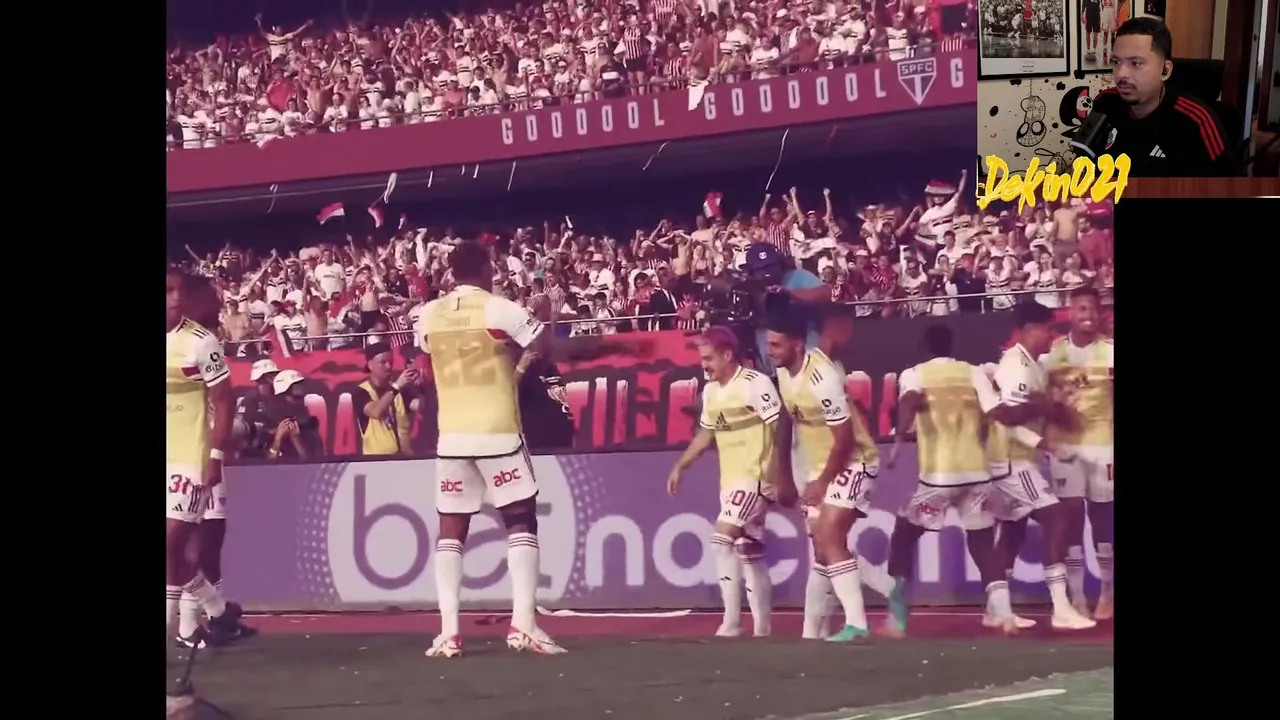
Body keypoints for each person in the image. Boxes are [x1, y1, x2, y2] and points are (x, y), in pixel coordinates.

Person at [416, 242, 566, 658]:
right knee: (521, 523)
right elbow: (544, 347)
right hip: (497, 431)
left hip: (451, 436)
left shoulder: (428, 315)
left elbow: (427, 356)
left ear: (451, 272)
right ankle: (523, 626)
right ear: (484, 268)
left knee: (451, 531)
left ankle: (448, 634)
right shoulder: (499, 309)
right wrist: (542, 317)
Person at [880, 324, 1035, 638]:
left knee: (903, 537)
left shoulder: (915, 374)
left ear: (924, 348)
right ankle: (1004, 614)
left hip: (939, 479)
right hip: (977, 474)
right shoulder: (972, 373)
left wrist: (897, 443)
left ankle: (896, 618)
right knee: (982, 543)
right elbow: (996, 412)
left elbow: (909, 402)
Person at [767, 305, 879, 642]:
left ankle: (857, 624)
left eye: (776, 345)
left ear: (797, 344)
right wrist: (784, 473)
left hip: (854, 461)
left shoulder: (822, 377)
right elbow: (786, 419)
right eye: (769, 344)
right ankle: (812, 634)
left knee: (829, 536)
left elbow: (845, 440)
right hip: (817, 466)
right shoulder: (784, 373)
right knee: (822, 550)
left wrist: (822, 482)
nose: (770, 351)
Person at [986, 302, 1096, 631]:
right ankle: (1061, 608)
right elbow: (1006, 418)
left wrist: (1054, 408)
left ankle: (996, 611)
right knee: (1055, 517)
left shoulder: (1031, 365)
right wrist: (1043, 441)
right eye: (1048, 329)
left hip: (1015, 459)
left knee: (1012, 533)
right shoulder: (1015, 366)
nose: (1051, 336)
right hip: (1011, 460)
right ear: (1030, 329)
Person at [666, 327, 781, 638]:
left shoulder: (755, 384)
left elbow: (779, 428)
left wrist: (775, 473)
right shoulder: (712, 392)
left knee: (721, 540)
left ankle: (731, 623)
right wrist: (681, 466)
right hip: (730, 482)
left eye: (709, 358)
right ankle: (763, 630)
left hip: (755, 478)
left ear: (728, 355)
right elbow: (706, 434)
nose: (704, 365)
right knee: (749, 552)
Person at [165, 269, 246, 652]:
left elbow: (224, 399)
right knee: (174, 551)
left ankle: (189, 622)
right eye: (168, 290)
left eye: (179, 291)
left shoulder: (201, 341)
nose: (175, 297)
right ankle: (216, 608)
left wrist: (215, 454)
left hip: (190, 457)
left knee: (172, 543)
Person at [1039, 286, 1114, 620]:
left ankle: (1107, 592)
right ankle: (1078, 597)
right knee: (1070, 517)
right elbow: (1042, 403)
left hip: (1102, 443)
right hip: (1064, 445)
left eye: (1094, 309)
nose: (1089, 316)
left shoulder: (1110, 352)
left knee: (1102, 515)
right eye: (1083, 309)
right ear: (1071, 312)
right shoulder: (1052, 355)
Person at [1092, 17, 1241, 176]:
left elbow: (1227, 185)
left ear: (1165, 70)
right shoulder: (1104, 103)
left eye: (1135, 63)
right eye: (1116, 62)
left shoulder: (1196, 121)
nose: (1121, 74)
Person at [743, 242, 829, 377]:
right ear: (751, 272)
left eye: (771, 266)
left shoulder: (798, 276)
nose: (768, 273)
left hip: (806, 361)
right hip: (769, 368)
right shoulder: (749, 288)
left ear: (781, 263)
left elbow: (825, 294)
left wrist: (790, 294)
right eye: (761, 269)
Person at [353, 343, 421, 457]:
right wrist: (396, 388)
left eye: (391, 362)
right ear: (370, 365)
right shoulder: (361, 392)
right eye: (383, 362)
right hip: (377, 460)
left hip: (405, 457)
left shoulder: (400, 389)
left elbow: (420, 406)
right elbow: (376, 412)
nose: (389, 366)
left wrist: (422, 388)